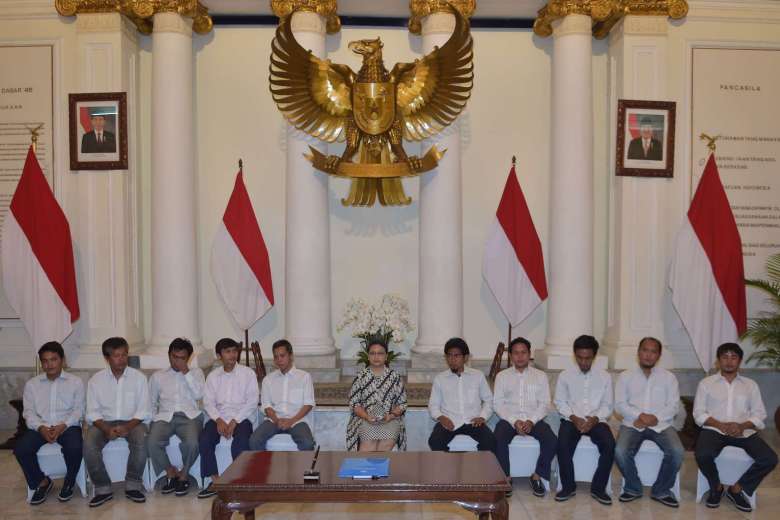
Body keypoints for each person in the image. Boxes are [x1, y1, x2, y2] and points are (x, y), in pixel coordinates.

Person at [693, 342, 778, 513]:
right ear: (718, 361)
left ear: (739, 361)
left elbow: (759, 414)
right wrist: (719, 424)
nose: (729, 361)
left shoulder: (750, 385)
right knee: (702, 454)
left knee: (770, 458)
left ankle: (737, 489)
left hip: (743, 431)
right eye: (725, 357)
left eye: (734, 357)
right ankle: (716, 487)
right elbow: (698, 413)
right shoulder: (706, 383)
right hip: (714, 430)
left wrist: (742, 425)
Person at [614, 337, 684, 508]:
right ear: (638, 352)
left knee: (677, 451)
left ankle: (661, 490)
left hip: (661, 424)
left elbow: (674, 405)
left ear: (658, 355)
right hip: (633, 423)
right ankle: (633, 488)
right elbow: (619, 404)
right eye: (645, 350)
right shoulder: (625, 376)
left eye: (653, 352)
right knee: (620, 451)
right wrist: (640, 416)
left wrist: (655, 418)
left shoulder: (669, 378)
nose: (648, 355)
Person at [14, 342, 84, 505]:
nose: (49, 364)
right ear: (41, 363)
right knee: (21, 449)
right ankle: (42, 482)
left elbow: (79, 410)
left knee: (75, 447)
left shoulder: (75, 382)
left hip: (67, 426)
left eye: (53, 359)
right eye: (45, 361)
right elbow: (28, 412)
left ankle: (69, 481)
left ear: (62, 360)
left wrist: (63, 425)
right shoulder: (32, 384)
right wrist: (40, 427)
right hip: (41, 426)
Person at [84, 337, 151, 507]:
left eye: (124, 355)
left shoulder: (139, 378)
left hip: (133, 422)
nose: (121, 359)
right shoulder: (96, 380)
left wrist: (128, 426)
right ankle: (103, 488)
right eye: (116, 356)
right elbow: (92, 412)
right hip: (103, 423)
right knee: (89, 444)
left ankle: (133, 485)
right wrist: (106, 429)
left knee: (141, 440)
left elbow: (143, 410)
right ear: (107, 358)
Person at [554, 335, 615, 505]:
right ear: (575, 355)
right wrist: (573, 417)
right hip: (571, 419)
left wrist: (595, 419)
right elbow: (560, 402)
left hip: (597, 420)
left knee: (610, 445)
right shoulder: (565, 376)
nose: (583, 362)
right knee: (563, 444)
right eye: (580, 357)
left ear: (594, 356)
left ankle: (598, 488)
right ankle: (568, 486)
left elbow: (608, 405)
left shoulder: (605, 377)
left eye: (587, 358)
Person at [493, 337, 557, 498]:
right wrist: (515, 421)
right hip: (509, 420)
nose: (520, 356)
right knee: (498, 437)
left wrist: (531, 421)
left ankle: (536, 476)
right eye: (516, 353)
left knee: (551, 439)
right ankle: (505, 478)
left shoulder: (540, 376)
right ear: (511, 356)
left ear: (529, 354)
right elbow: (498, 404)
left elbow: (545, 403)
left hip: (534, 419)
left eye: (523, 352)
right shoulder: (502, 376)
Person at [197, 338, 259, 499]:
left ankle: (238, 481)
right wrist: (218, 420)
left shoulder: (248, 374)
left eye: (234, 351)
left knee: (242, 441)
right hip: (218, 417)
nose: (232, 355)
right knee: (204, 439)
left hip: (242, 417)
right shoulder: (213, 376)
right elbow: (208, 402)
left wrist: (235, 421)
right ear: (219, 356)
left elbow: (252, 402)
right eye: (227, 351)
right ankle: (215, 481)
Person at [147, 338, 205, 497]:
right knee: (151, 442)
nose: (177, 361)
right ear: (169, 355)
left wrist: (186, 372)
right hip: (164, 416)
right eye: (174, 356)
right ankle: (171, 473)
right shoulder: (158, 376)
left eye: (182, 358)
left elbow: (199, 394)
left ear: (189, 358)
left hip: (190, 416)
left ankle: (184, 476)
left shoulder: (196, 373)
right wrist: (153, 421)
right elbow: (151, 402)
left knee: (193, 443)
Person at [427, 337, 495, 455]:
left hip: (473, 421)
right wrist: (441, 418)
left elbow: (489, 400)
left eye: (456, 356)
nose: (452, 359)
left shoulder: (477, 376)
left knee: (491, 441)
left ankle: (478, 469)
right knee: (434, 441)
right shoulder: (440, 379)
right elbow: (433, 405)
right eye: (449, 355)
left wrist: (482, 417)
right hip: (449, 420)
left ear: (465, 357)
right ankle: (450, 468)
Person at [249, 339, 316, 451]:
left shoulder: (304, 377)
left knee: (307, 443)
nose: (279, 360)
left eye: (282, 356)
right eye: (276, 357)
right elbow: (266, 406)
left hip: (297, 420)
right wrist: (277, 420)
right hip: (273, 420)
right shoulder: (268, 379)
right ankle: (265, 468)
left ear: (291, 356)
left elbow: (308, 404)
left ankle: (300, 468)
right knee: (254, 441)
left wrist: (291, 421)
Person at [346, 339, 407, 452]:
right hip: (364, 419)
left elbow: (402, 404)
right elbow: (354, 404)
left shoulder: (395, 377)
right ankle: (365, 469)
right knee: (368, 445)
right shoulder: (360, 377)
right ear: (368, 356)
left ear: (386, 356)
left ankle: (379, 469)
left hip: (390, 420)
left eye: (380, 353)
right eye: (372, 353)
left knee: (385, 444)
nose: (376, 357)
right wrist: (367, 417)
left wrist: (390, 416)